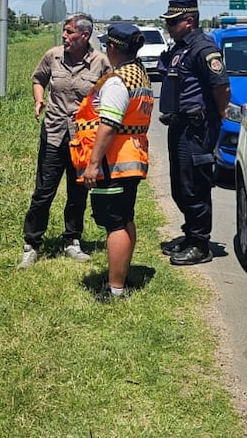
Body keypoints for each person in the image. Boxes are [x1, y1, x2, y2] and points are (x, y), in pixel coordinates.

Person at [19, 13, 112, 269]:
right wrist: (39, 99)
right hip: (54, 133)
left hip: (83, 137)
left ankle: (72, 240)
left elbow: (111, 94)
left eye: (69, 32)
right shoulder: (53, 56)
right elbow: (38, 79)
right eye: (64, 31)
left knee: (77, 192)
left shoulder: (100, 62)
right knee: (43, 192)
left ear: (85, 35)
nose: (64, 36)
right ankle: (32, 244)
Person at [70, 23, 154, 301]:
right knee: (125, 218)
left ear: (113, 48)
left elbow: (108, 125)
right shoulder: (138, 74)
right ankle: (121, 275)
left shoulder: (118, 81)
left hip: (114, 162)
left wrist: (93, 164)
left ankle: (115, 288)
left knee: (115, 223)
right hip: (130, 157)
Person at [157, 0, 230, 265]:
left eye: (173, 22)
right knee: (180, 185)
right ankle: (190, 235)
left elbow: (221, 87)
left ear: (189, 21)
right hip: (179, 125)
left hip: (196, 128)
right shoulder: (181, 48)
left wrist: (218, 117)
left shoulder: (203, 48)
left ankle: (200, 244)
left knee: (194, 186)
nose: (168, 27)